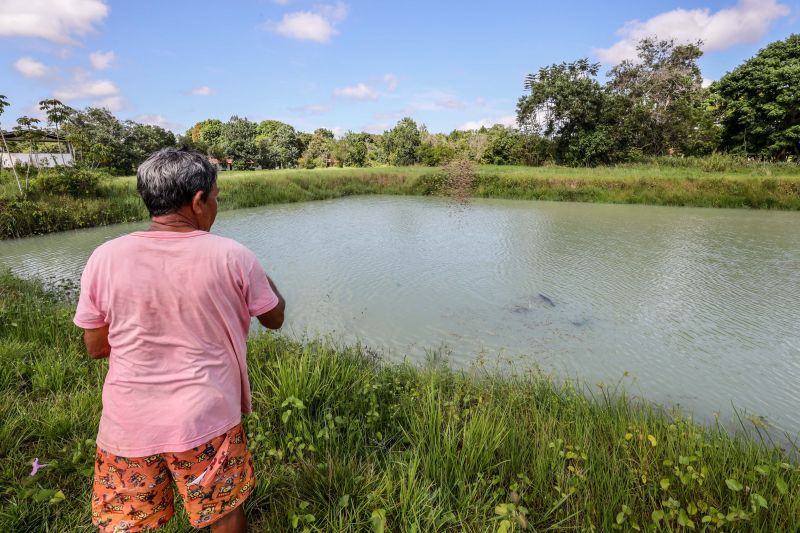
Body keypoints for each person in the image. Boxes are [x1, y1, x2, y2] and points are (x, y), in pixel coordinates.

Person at [73, 148, 285, 532]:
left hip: (128, 422)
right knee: (222, 513)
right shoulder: (233, 255)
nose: (216, 206)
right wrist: (257, 273)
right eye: (216, 197)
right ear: (198, 200)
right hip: (207, 419)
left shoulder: (104, 257)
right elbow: (274, 317)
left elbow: (96, 347)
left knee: (129, 523)